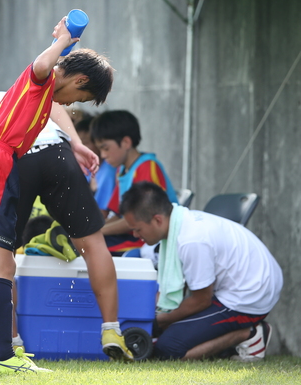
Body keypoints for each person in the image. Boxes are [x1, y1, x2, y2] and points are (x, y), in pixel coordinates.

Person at [0, 17, 130, 374]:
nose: (73, 104)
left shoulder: (34, 97)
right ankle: (6, 358)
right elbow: (43, 66)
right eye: (80, 98)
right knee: (2, 266)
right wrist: (63, 40)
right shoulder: (42, 79)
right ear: (79, 81)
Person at [120, 181, 283, 361]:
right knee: (161, 328)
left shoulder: (191, 240)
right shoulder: (179, 222)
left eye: (137, 229)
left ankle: (250, 334)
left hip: (249, 296)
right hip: (239, 284)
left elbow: (201, 300)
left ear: (157, 219)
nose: (135, 235)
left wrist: (163, 320)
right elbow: (182, 290)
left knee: (167, 350)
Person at [90, 110, 178, 256]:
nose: (103, 155)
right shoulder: (122, 170)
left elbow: (138, 219)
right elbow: (118, 215)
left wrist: (97, 232)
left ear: (126, 142)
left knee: (94, 250)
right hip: (135, 232)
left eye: (105, 148)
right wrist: (93, 230)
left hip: (150, 238)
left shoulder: (146, 167)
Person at [74, 112, 115, 213]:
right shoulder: (85, 167)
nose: (81, 148)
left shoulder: (108, 171)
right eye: (78, 143)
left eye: (86, 143)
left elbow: (102, 214)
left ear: (97, 143)